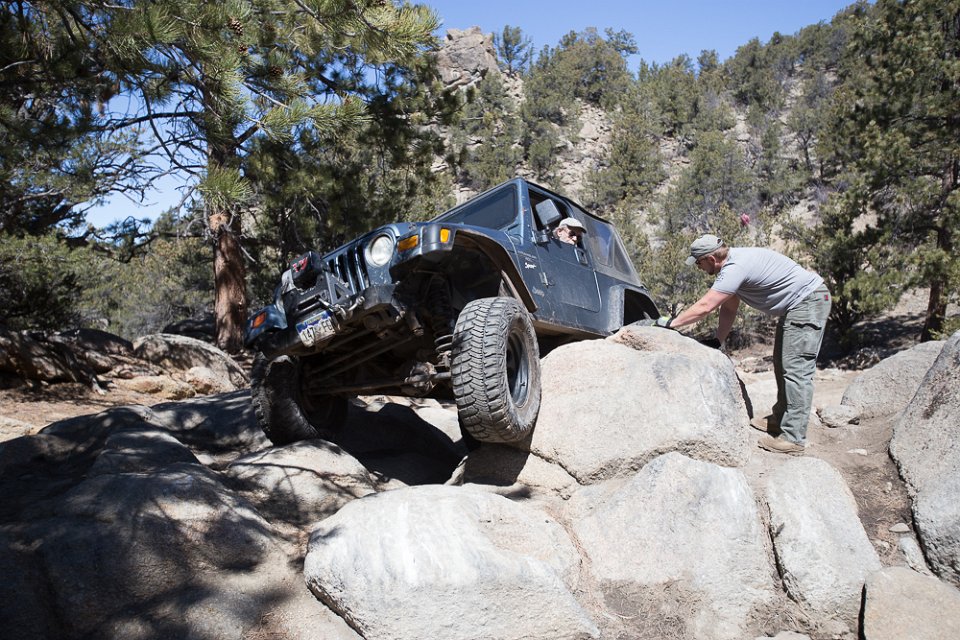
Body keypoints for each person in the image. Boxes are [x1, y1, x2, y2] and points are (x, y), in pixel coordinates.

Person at [656, 234, 832, 455]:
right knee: (782, 364)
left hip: (808, 302)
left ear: (711, 259)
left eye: (699, 262)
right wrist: (718, 340)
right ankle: (780, 419)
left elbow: (706, 306)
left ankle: (793, 438)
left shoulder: (735, 268)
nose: (698, 268)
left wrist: (671, 323)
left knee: (796, 371)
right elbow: (729, 308)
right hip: (799, 305)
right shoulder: (732, 266)